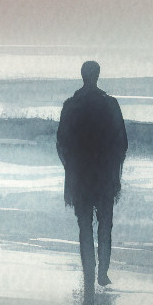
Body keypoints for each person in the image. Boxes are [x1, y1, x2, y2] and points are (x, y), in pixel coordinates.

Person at [56, 60, 127, 286]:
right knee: (105, 224)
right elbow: (121, 144)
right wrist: (117, 174)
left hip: (80, 176)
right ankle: (102, 273)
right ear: (97, 76)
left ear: (82, 76)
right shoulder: (110, 105)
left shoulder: (71, 105)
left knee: (84, 225)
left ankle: (89, 272)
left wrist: (69, 172)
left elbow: (62, 144)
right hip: (104, 174)